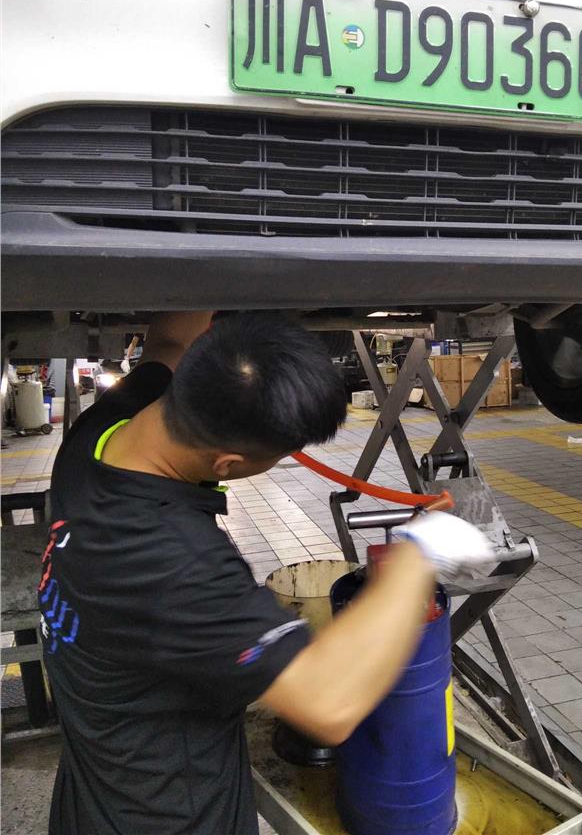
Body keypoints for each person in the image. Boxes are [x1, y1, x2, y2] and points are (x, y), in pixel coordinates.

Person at [40, 311, 495, 835]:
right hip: (172, 818)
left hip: (92, 794)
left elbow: (169, 339)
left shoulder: (101, 431)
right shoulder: (175, 561)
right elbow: (328, 704)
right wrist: (417, 553)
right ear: (228, 465)